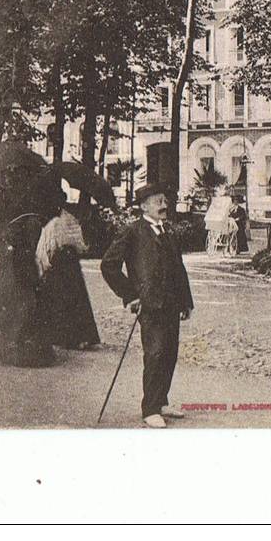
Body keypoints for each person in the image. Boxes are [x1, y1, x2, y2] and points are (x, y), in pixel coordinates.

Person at [101, 183, 194, 429]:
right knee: (155, 353)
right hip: (149, 305)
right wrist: (130, 296)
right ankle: (150, 409)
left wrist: (186, 301)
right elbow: (109, 265)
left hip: (172, 303)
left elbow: (179, 269)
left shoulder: (168, 231)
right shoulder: (132, 232)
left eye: (165, 201)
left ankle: (161, 402)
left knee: (169, 353)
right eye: (158, 202)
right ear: (144, 206)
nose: (164, 206)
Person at [0, 160, 56, 368]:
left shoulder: (4, 205)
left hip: (7, 260)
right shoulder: (15, 202)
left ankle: (13, 349)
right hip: (8, 259)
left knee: (12, 303)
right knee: (14, 303)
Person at [36, 191, 101, 350]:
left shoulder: (53, 223)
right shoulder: (72, 219)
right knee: (77, 298)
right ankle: (82, 336)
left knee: (59, 298)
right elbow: (80, 244)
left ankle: (63, 336)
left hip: (59, 263)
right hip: (71, 262)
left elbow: (48, 246)